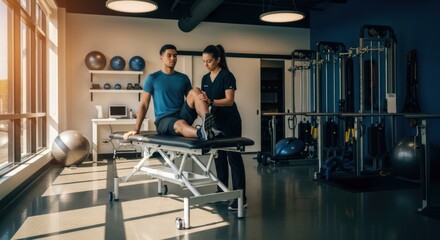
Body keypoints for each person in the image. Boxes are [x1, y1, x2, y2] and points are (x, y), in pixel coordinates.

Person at [124, 44, 214, 141]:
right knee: (180, 123)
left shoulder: (183, 78)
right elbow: (144, 105)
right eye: (169, 55)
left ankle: (207, 123)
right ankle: (201, 133)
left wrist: (205, 100)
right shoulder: (153, 78)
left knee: (196, 90)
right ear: (161, 58)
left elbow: (193, 99)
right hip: (164, 120)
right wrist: (136, 129)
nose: (172, 58)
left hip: (182, 115)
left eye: (175, 56)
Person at [198, 44, 247, 211]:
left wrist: (211, 102)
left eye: (209, 61)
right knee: (219, 157)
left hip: (230, 120)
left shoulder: (227, 75)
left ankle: (241, 197)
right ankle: (222, 192)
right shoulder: (205, 79)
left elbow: (229, 100)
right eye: (204, 61)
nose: (206, 64)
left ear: (218, 59)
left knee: (233, 157)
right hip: (215, 121)